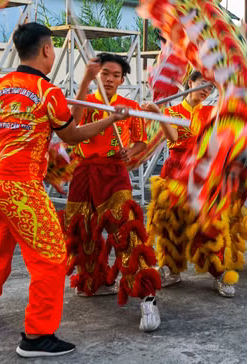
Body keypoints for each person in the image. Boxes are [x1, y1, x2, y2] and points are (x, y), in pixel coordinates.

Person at [0, 23, 128, 358]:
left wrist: (16, 122)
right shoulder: (48, 93)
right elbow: (72, 137)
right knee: (52, 256)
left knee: (0, 245)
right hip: (20, 186)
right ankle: (37, 336)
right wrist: (111, 120)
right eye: (52, 48)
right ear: (45, 51)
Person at [65, 53, 162, 332]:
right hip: (83, 173)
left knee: (126, 231)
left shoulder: (130, 108)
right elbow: (73, 127)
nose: (109, 79)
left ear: (122, 80)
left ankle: (147, 296)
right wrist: (84, 81)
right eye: (104, 73)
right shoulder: (84, 100)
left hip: (114, 173)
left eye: (115, 75)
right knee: (83, 230)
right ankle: (93, 280)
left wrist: (130, 150)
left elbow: (141, 143)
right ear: (97, 75)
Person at [145, 72, 241, 297]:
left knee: (208, 223)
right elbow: (174, 138)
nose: (205, 90)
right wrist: (159, 115)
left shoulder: (210, 112)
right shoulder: (172, 111)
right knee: (172, 223)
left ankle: (218, 273)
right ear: (190, 83)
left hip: (203, 172)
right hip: (176, 169)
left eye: (210, 88)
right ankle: (171, 269)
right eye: (201, 84)